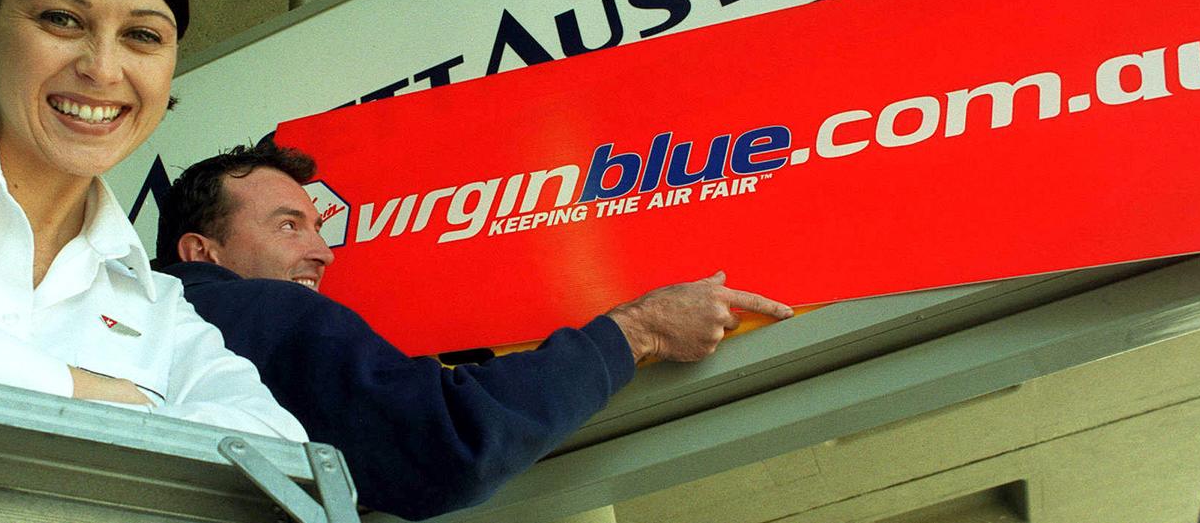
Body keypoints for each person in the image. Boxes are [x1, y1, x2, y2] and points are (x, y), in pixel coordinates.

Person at [155, 141, 794, 519]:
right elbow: (451, 440)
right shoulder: (259, 311)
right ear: (201, 252)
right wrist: (639, 331)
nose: (324, 252)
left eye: (320, 228)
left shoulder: (148, 329)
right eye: (290, 226)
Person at [0, 0, 305, 441]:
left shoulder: (159, 307)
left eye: (142, 35)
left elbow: (273, 441)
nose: (104, 69)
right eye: (62, 19)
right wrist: (82, 390)